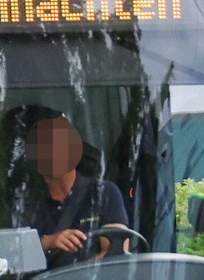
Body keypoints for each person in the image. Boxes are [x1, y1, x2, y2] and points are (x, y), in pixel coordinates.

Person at [25, 112, 129, 268]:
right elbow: (7, 259)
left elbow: (116, 255)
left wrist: (74, 278)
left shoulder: (104, 193)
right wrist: (48, 242)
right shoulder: (26, 202)